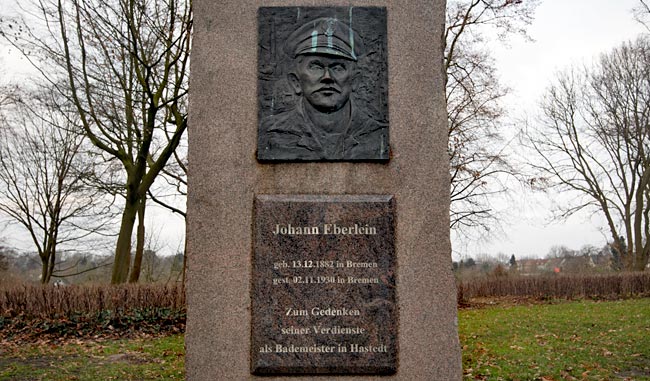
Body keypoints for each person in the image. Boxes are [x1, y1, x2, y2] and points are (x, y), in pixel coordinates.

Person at [258, 17, 389, 161]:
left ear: (355, 82)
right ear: (296, 82)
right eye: (316, 67)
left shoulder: (377, 133)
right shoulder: (272, 134)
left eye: (338, 67)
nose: (327, 77)